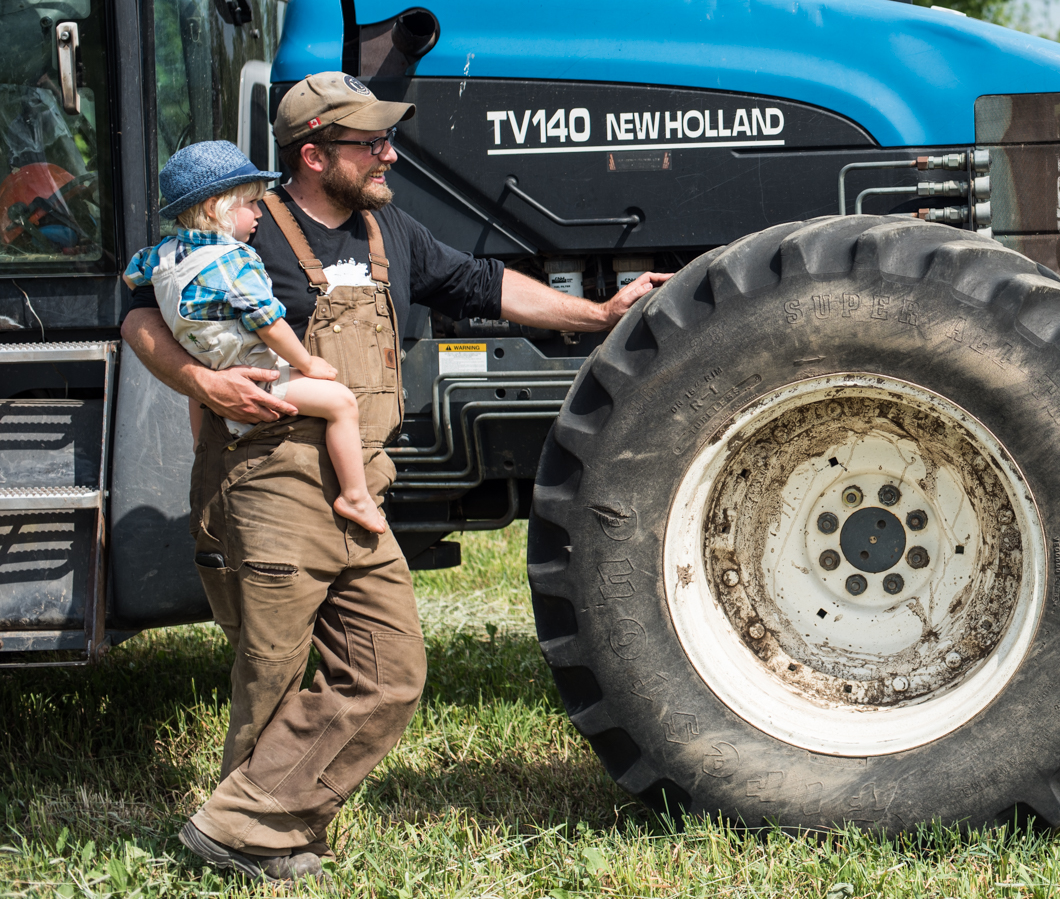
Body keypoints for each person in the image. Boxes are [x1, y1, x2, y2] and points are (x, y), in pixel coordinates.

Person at [120, 72, 671, 882]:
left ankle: (242, 821)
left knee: (389, 668)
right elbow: (135, 311)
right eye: (369, 143)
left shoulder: (389, 231)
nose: (389, 154)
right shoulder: (246, 231)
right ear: (313, 155)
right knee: (273, 668)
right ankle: (257, 837)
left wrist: (595, 316)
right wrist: (197, 382)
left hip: (357, 481)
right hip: (268, 477)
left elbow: (484, 285)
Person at [123, 141, 388, 537]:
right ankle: (355, 495)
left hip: (209, 367)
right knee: (341, 403)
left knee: (198, 394)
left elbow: (134, 279)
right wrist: (307, 364)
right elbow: (268, 324)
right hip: (253, 372)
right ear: (217, 209)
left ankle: (203, 451)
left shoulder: (160, 254)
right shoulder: (235, 261)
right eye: (251, 204)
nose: (260, 213)